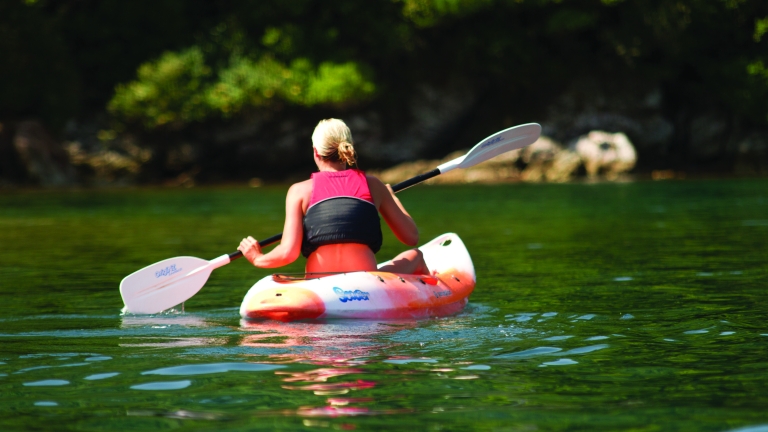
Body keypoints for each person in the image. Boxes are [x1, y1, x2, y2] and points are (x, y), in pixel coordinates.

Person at [238, 118, 429, 275]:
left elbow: (288, 253)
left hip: (319, 284)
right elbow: (411, 237)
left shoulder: (299, 191)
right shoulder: (374, 185)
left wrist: (257, 257)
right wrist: (392, 198)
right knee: (416, 255)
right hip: (366, 282)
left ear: (315, 152)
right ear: (349, 147)